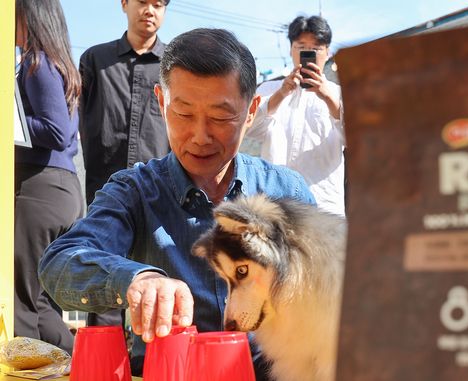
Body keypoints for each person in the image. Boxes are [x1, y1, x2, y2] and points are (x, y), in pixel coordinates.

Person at [39, 28, 316, 379]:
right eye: (183, 114)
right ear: (161, 102)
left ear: (251, 111)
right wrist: (137, 279)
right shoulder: (135, 190)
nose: (200, 136)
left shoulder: (285, 191)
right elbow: (60, 264)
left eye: (220, 117)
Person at [79, 0, 170, 327]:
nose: (150, 10)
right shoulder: (94, 60)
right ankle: (104, 368)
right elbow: (78, 122)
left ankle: (152, 368)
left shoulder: (176, 66)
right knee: (104, 278)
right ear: (124, 4)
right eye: (143, 2)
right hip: (106, 191)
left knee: (160, 284)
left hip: (161, 191)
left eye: (159, 4)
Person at [14, 0, 83, 354]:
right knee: (42, 304)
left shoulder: (36, 62)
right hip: (64, 190)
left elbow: (54, 130)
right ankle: (81, 366)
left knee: (19, 300)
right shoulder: (61, 64)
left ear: (29, 15)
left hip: (38, 189)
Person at [247, 15, 345, 216]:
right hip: (276, 205)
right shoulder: (269, 89)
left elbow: (357, 140)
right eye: (301, 47)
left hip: (323, 205)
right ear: (291, 49)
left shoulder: (341, 93)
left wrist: (329, 98)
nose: (308, 52)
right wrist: (281, 94)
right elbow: (247, 128)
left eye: (316, 48)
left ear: (328, 52)